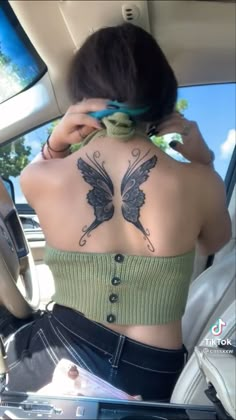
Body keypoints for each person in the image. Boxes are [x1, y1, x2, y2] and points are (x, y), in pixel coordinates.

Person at [0, 23, 231, 401]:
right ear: (162, 100)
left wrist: (55, 144)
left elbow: (38, 169)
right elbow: (217, 241)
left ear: (81, 100)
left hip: (66, 350)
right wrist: (203, 160)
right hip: (156, 374)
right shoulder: (202, 183)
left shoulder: (40, 177)